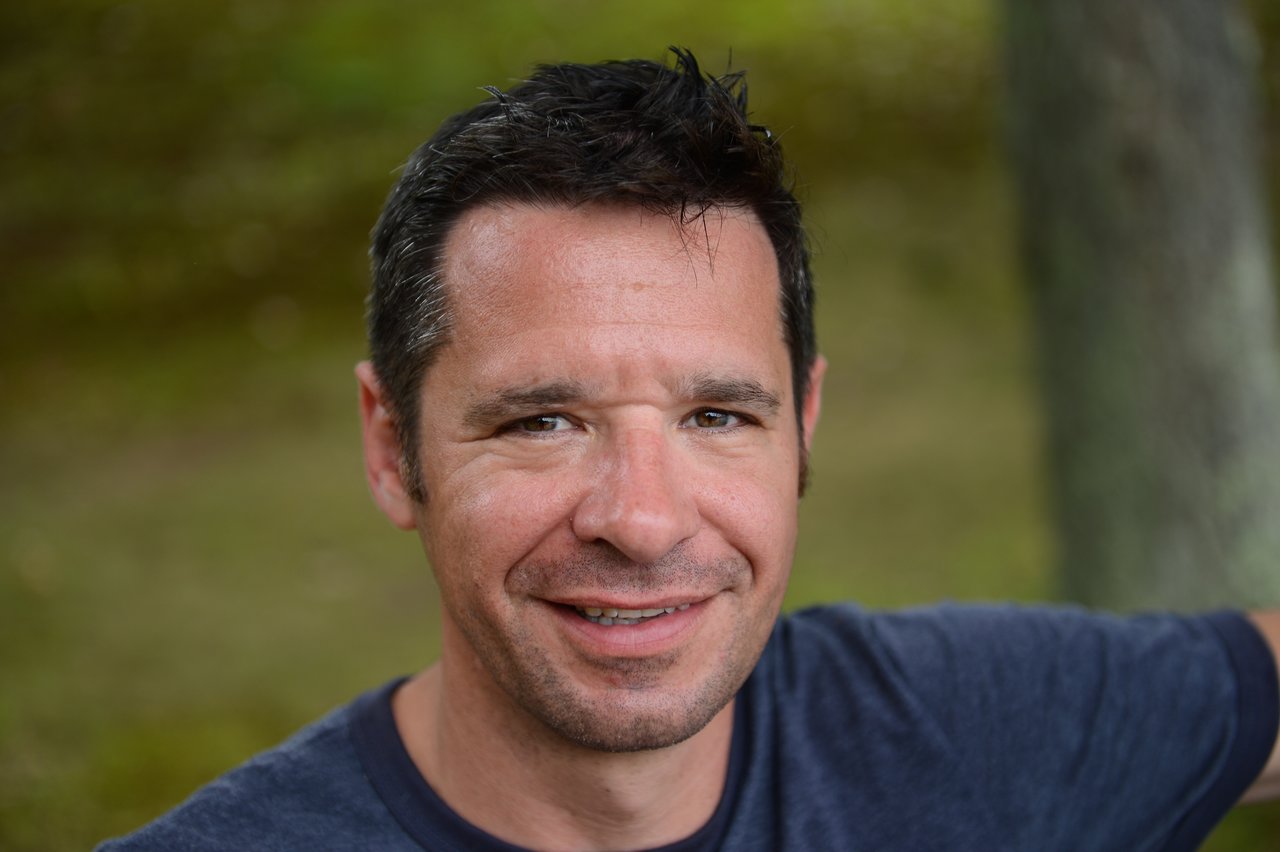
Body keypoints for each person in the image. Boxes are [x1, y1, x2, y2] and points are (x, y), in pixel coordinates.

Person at [100, 49, 1280, 851]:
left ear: (802, 429)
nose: (644, 519)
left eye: (718, 417)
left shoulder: (957, 743)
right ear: (390, 445)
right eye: (541, 422)